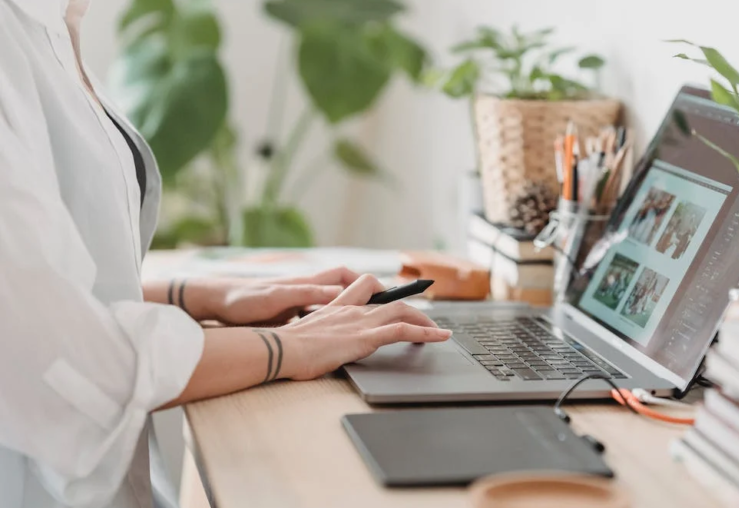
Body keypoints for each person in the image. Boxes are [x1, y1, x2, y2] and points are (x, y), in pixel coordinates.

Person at [0, 1, 451, 507]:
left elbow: (39, 288)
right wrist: (290, 346)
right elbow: (69, 367)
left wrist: (201, 296)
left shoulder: (55, 22)